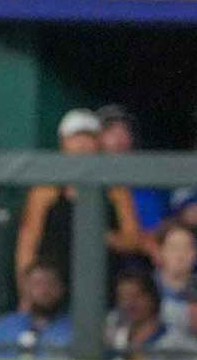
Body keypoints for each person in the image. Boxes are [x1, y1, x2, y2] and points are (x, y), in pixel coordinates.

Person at [15, 109, 143, 289]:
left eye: (89, 137)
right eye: (75, 137)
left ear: (98, 143)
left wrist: (106, 237)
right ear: (63, 142)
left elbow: (133, 240)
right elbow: (28, 245)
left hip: (104, 288)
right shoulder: (45, 191)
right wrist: (26, 292)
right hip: (54, 292)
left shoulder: (116, 190)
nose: (82, 144)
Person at [96, 104, 172, 248]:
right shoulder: (84, 184)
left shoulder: (147, 181)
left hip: (143, 261)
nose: (118, 138)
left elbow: (157, 228)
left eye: (124, 131)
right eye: (110, 130)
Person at [105, 268, 197, 360]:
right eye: (124, 297)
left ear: (152, 297)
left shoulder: (175, 341)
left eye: (137, 296)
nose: (130, 303)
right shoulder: (113, 332)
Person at [0, 261, 72, 360]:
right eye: (37, 284)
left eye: (50, 283)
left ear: (61, 288)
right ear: (26, 288)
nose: (44, 291)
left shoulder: (74, 329)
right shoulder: (6, 326)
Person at [154, 221, 197, 343]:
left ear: (195, 254)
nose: (181, 255)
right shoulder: (146, 286)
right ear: (160, 251)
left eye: (187, 248)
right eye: (174, 248)